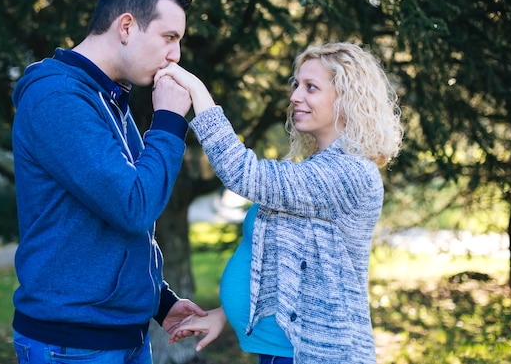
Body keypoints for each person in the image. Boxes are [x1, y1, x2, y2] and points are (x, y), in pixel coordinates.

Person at [157, 42, 403, 364]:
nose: (295, 96)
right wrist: (227, 314)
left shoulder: (351, 174)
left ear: (346, 98)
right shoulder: (317, 171)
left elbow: (244, 173)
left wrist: (196, 89)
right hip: (279, 352)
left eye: (310, 87)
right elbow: (285, 265)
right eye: (296, 85)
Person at [10, 0, 207, 364]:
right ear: (127, 27)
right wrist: (168, 121)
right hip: (74, 346)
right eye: (169, 38)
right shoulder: (57, 99)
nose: (176, 56)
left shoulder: (109, 99)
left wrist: (159, 300)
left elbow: (108, 224)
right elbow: (133, 206)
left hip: (122, 338)